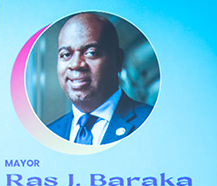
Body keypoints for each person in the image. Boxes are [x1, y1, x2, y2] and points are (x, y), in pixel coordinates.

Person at [47, 13, 153, 145]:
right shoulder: (48, 134)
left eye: (91, 53)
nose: (75, 64)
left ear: (118, 60)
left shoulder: (152, 123)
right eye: (66, 54)